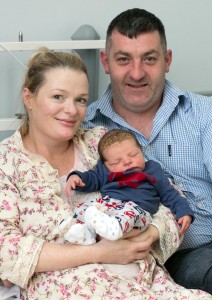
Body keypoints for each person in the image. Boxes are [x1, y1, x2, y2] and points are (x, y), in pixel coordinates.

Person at [0, 48, 210, 299]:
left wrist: (150, 234)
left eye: (80, 99)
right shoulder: (6, 163)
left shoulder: (100, 143)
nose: (71, 110)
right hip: (72, 287)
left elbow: (166, 194)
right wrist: (101, 252)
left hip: (143, 277)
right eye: (58, 97)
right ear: (29, 97)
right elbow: (6, 250)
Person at [83, 8, 212, 294]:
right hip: (123, 261)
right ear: (106, 62)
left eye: (149, 59)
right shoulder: (83, 128)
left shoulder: (205, 115)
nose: (137, 73)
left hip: (199, 250)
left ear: (167, 61)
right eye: (123, 59)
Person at [63, 129, 193, 245]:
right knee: (85, 208)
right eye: (116, 162)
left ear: (141, 151)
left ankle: (115, 229)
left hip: (138, 209)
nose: (127, 161)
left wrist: (183, 211)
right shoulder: (105, 171)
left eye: (133, 155)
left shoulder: (152, 170)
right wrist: (77, 178)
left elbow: (169, 193)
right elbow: (92, 178)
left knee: (128, 216)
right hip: (110, 203)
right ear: (105, 165)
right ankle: (84, 232)